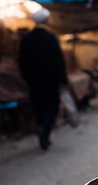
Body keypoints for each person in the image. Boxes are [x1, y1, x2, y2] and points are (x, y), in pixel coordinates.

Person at [18, 8, 68, 150]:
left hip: (33, 81)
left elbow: (21, 61)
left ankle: (41, 126)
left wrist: (26, 77)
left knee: (38, 106)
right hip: (50, 81)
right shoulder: (50, 38)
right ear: (46, 20)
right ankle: (44, 128)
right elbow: (58, 60)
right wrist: (62, 78)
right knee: (51, 107)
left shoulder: (27, 38)